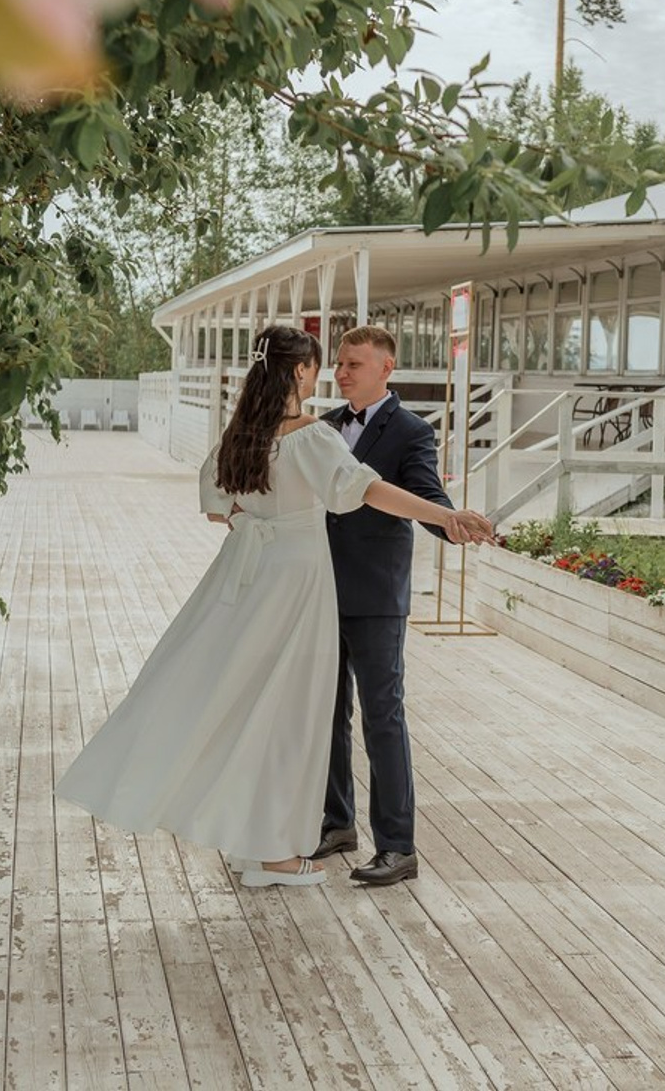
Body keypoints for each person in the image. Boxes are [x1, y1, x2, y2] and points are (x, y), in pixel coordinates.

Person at [55, 324, 493, 888]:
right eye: (320, 364)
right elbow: (367, 490)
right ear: (297, 372)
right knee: (290, 717)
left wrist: (253, 521)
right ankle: (276, 851)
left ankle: (260, 841)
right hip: (300, 583)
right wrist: (445, 517)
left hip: (255, 578)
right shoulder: (312, 434)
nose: (329, 373)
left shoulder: (243, 433)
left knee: (254, 706)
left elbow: (217, 504)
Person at [312, 324, 460, 887]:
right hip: (318, 591)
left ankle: (398, 846)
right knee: (326, 714)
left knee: (382, 718)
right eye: (340, 364)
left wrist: (452, 522)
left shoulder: (411, 431)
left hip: (375, 596)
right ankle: (337, 822)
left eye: (353, 364)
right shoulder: (324, 426)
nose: (342, 372)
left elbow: (426, 495)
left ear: (385, 369)